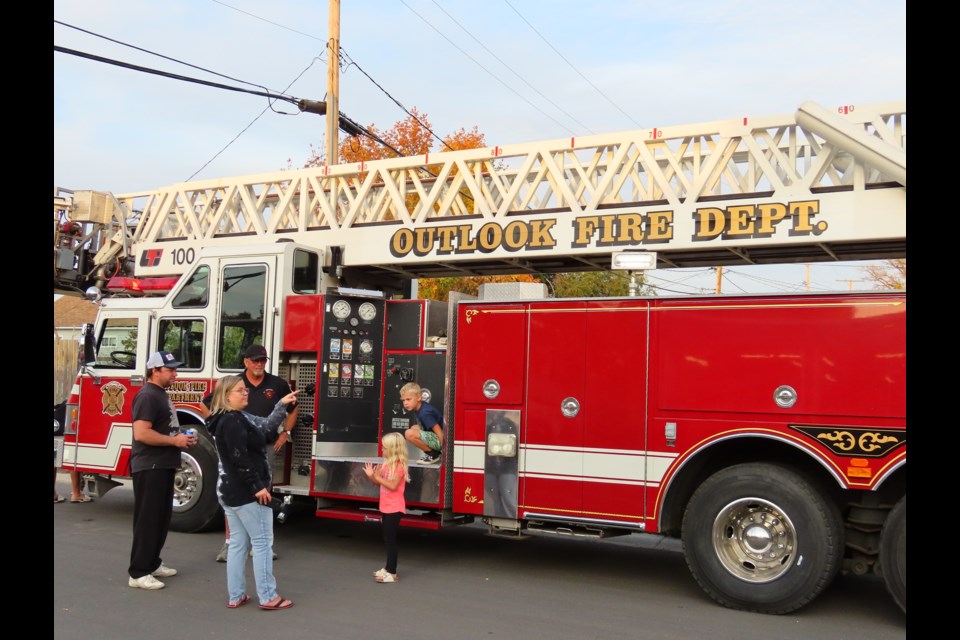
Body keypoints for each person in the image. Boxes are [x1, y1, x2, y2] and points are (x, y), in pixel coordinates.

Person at [207, 374, 298, 610]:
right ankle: (268, 596)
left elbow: (267, 427)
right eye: (240, 390)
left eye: (245, 389)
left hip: (230, 492)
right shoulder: (234, 422)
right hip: (246, 493)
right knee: (262, 543)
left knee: (237, 543)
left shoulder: (228, 418)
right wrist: (257, 486)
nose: (246, 392)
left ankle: (236, 595)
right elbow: (240, 459)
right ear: (227, 396)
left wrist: (281, 405)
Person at [214, 343, 298, 562]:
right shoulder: (233, 390)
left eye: (263, 360)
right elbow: (208, 405)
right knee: (237, 498)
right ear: (246, 362)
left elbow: (272, 422)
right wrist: (215, 428)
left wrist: (285, 431)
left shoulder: (276, 386)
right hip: (237, 459)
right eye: (256, 360)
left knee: (262, 496)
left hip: (264, 447)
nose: (260, 364)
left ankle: (261, 545)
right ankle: (231, 543)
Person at [128, 351, 198, 590]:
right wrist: (174, 442)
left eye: (175, 370)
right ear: (154, 371)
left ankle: (152, 563)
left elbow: (162, 430)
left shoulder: (160, 394)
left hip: (163, 464)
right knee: (148, 520)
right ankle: (138, 572)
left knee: (160, 518)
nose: (175, 374)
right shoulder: (147, 396)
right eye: (170, 370)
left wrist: (183, 440)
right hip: (150, 465)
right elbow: (141, 433)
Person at [363, 432, 410, 584]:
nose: (382, 450)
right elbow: (379, 483)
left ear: (393, 449)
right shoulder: (386, 463)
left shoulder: (399, 466)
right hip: (386, 506)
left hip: (395, 508)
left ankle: (392, 572)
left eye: (384, 448)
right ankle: (387, 567)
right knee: (387, 538)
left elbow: (392, 485)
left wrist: (376, 477)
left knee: (390, 540)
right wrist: (372, 476)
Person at [400, 382, 444, 465]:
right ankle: (434, 452)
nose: (405, 403)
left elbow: (438, 429)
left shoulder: (424, 413)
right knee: (414, 428)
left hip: (441, 439)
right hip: (435, 436)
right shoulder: (420, 407)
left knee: (409, 433)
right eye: (403, 400)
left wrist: (444, 449)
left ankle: (433, 454)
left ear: (419, 397)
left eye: (408, 399)